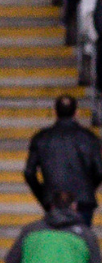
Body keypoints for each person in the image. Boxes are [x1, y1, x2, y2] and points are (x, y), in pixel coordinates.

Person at [24, 95, 102, 224]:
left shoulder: (42, 137)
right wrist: (88, 188)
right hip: (83, 201)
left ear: (54, 112)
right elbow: (99, 171)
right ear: (77, 112)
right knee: (82, 239)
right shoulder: (89, 137)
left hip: (53, 199)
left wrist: (43, 195)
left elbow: (29, 172)